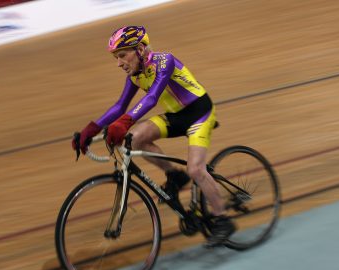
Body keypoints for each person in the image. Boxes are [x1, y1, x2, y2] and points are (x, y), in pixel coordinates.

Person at [72, 25, 235, 247]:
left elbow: (152, 98)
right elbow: (120, 106)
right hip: (176, 116)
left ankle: (223, 218)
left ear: (139, 49)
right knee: (135, 138)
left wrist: (124, 122)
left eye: (122, 55)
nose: (119, 63)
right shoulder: (135, 75)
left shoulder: (163, 61)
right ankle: (175, 176)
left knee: (196, 169)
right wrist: (91, 129)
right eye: (116, 58)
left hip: (199, 113)